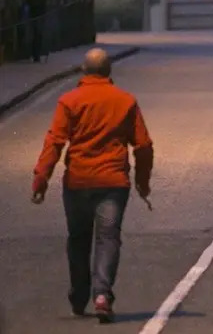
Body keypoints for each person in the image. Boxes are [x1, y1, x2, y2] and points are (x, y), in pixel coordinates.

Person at [31, 48, 154, 323]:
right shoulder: (125, 101)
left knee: (78, 239)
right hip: (113, 183)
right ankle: (102, 295)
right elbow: (143, 145)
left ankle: (79, 296)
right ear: (109, 71)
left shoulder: (68, 101)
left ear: (84, 71)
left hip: (77, 182)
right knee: (108, 237)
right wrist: (142, 183)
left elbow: (55, 143)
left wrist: (41, 179)